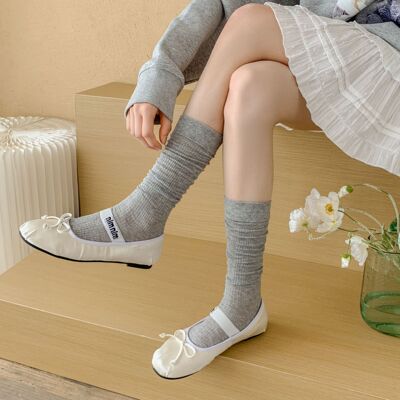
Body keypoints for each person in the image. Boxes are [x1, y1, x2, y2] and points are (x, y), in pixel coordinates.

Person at [19, 0, 400, 379]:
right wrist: (158, 78)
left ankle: (145, 212)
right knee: (249, 87)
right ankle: (242, 304)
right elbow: (217, 3)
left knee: (251, 20)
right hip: (332, 55)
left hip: (389, 56)